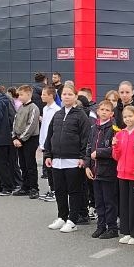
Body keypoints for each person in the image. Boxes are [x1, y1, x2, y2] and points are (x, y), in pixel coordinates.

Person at [44, 81, 90, 232]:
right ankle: (62, 217)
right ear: (61, 96)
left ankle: (72, 220)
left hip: (74, 160)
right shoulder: (57, 114)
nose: (67, 96)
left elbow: (86, 138)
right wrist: (48, 154)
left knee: (74, 191)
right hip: (57, 160)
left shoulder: (81, 115)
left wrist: (83, 157)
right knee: (60, 190)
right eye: (64, 94)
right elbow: (50, 136)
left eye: (70, 94)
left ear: (75, 96)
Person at [112, 103, 134, 243]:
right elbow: (116, 156)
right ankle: (126, 231)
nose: (127, 119)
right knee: (124, 204)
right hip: (122, 173)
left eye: (130, 116)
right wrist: (115, 146)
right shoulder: (120, 133)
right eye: (125, 117)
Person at [88, 98, 119, 238]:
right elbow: (89, 147)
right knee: (99, 201)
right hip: (95, 171)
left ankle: (112, 228)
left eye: (107, 110)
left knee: (109, 201)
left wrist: (99, 152)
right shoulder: (94, 128)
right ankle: (101, 226)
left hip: (108, 171)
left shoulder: (114, 129)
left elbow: (114, 149)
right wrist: (87, 165)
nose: (104, 112)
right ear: (97, 111)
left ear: (112, 113)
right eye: (102, 110)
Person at [11, 84, 41, 198]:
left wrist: (21, 139)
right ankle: (25, 186)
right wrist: (14, 137)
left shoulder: (33, 108)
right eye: (19, 95)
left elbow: (31, 125)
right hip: (19, 139)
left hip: (30, 140)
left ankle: (34, 188)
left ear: (29, 94)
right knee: (22, 164)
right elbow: (15, 122)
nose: (19, 97)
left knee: (30, 164)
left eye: (21, 94)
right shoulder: (20, 107)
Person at [39, 85, 60, 202]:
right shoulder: (45, 108)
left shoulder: (56, 110)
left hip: (52, 143)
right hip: (44, 142)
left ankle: (55, 191)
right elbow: (44, 127)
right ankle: (51, 189)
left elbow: (53, 129)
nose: (42, 96)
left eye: (44, 94)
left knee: (52, 168)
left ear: (51, 96)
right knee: (47, 168)